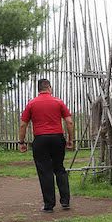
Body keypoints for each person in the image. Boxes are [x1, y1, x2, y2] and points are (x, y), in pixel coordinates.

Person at [18, 79, 75, 212]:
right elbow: (69, 122)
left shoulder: (31, 104)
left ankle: (49, 205)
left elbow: (23, 124)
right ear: (49, 87)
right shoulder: (58, 102)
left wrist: (21, 142)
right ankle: (65, 201)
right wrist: (71, 139)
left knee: (45, 171)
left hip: (40, 140)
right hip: (57, 138)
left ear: (39, 89)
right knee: (59, 169)